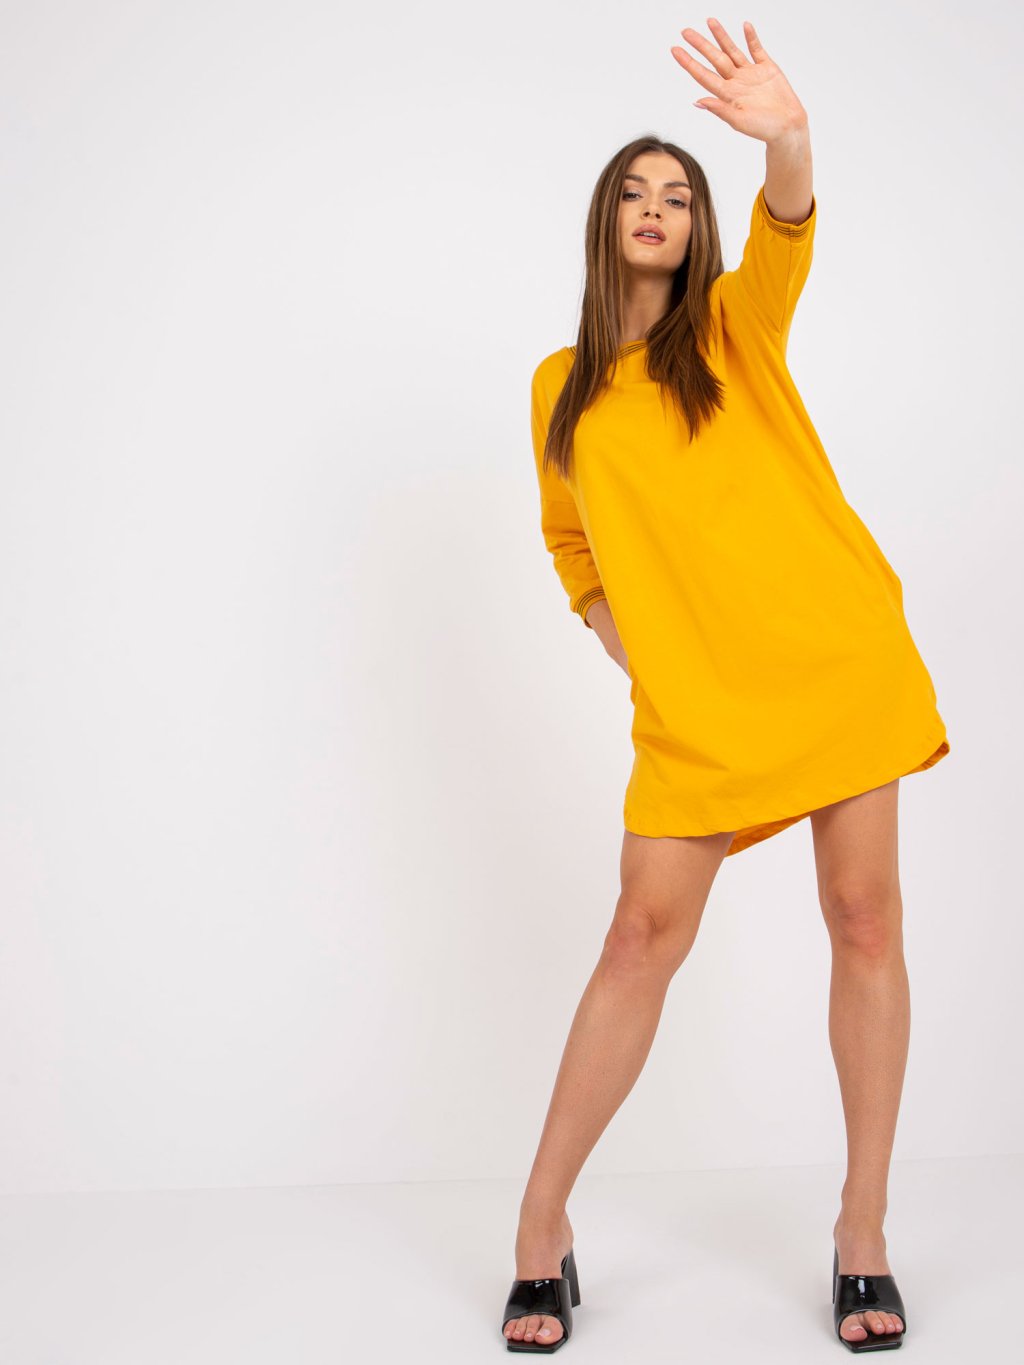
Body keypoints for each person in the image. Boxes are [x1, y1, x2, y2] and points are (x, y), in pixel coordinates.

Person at [500, 18, 949, 1356]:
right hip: (699, 709)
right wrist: (632, 646)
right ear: (605, 222)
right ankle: (540, 1224)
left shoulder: (738, 327)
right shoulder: (561, 387)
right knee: (639, 939)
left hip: (832, 664)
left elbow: (788, 217)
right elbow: (572, 546)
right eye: (635, 193)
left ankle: (861, 1230)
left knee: (864, 921)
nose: (657, 209)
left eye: (679, 195)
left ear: (698, 229)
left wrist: (786, 134)